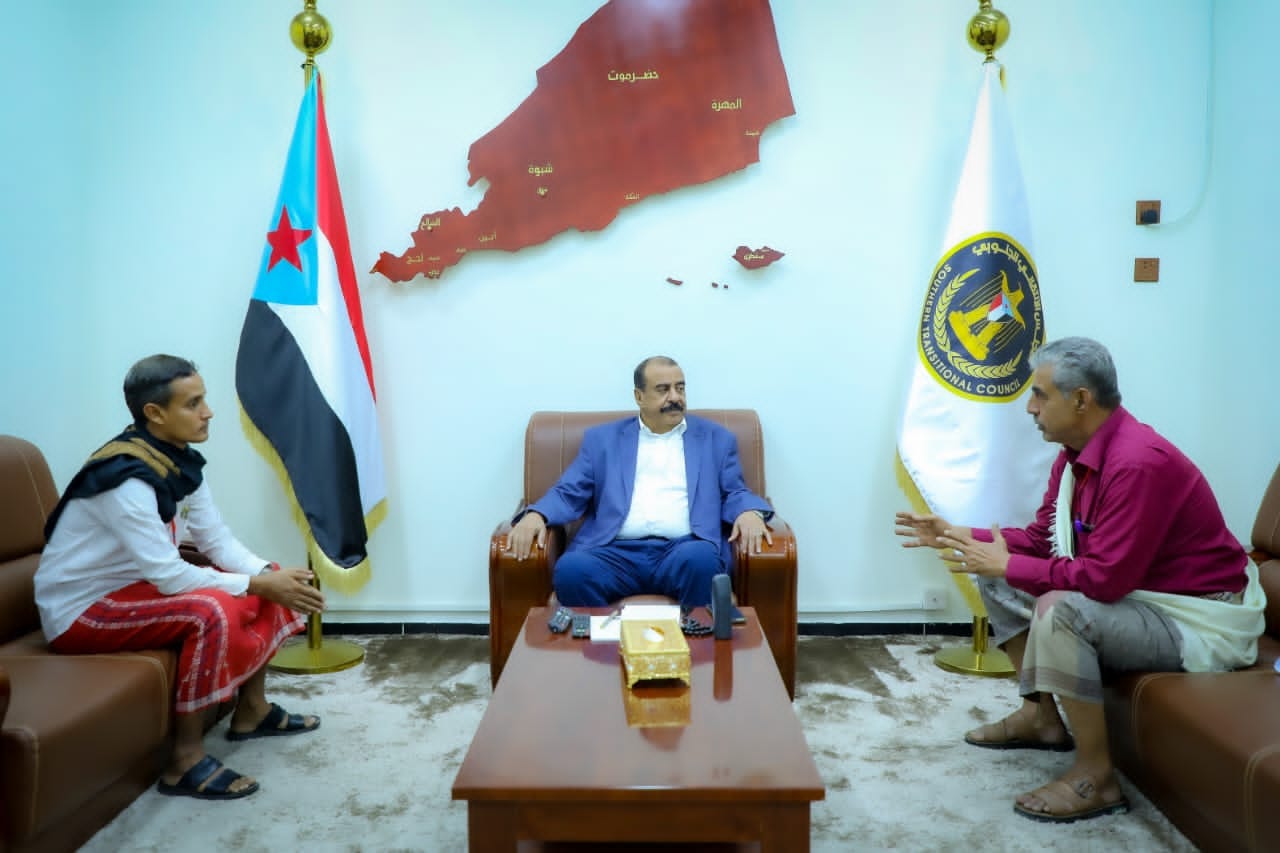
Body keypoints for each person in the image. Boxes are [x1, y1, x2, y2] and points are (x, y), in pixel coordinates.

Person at [895, 336, 1264, 824]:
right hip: (1142, 596)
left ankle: (1097, 778)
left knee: (1061, 610)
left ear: (1081, 400)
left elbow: (1104, 581)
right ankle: (1041, 717)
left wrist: (1005, 563)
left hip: (1200, 618)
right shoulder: (1075, 455)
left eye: (1039, 394)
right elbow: (1041, 540)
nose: (1030, 407)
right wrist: (959, 534)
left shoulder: (1138, 462)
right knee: (996, 575)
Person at [34, 354, 326, 801]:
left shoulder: (178, 461)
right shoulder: (126, 480)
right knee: (212, 609)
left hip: (136, 589)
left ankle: (252, 709)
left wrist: (267, 575)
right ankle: (184, 761)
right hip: (83, 610)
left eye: (203, 400)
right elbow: (169, 576)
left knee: (264, 576)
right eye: (193, 404)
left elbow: (217, 543)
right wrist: (257, 583)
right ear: (154, 413)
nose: (208, 412)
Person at [506, 355, 773, 608]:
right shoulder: (603, 440)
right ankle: (603, 641)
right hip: (615, 552)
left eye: (680, 388)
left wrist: (748, 512)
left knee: (703, 561)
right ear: (639, 396)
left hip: (684, 549)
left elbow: (734, 491)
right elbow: (569, 491)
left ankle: (695, 640)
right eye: (663, 389)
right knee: (572, 570)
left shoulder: (716, 439)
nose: (675, 397)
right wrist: (537, 515)